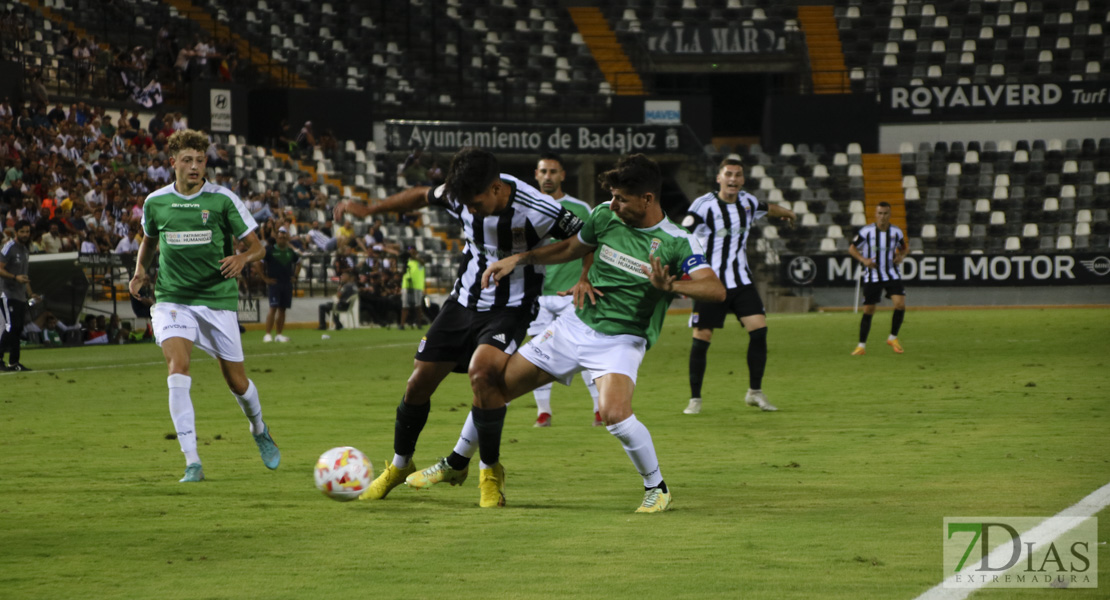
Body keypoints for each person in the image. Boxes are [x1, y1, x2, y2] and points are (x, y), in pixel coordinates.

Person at [407, 154, 725, 512]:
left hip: (622, 338)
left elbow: (715, 290)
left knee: (614, 414)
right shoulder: (606, 215)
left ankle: (657, 488)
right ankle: (456, 463)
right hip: (573, 327)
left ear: (647, 199)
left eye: (622, 198)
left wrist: (673, 284)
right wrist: (520, 259)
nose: (613, 204)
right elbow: (572, 247)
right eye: (614, 197)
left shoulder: (677, 241)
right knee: (492, 385)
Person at [333, 147, 584, 505]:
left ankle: (490, 471)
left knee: (483, 375)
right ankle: (401, 464)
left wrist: (570, 272)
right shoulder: (459, 194)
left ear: (497, 188)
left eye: (477, 203)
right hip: (463, 301)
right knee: (418, 382)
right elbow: (421, 196)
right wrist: (370, 209)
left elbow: (583, 241)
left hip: (511, 307)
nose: (471, 209)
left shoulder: (539, 208)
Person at [128, 129, 280, 483]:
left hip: (216, 299)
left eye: (200, 160)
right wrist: (139, 272)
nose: (195, 166)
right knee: (178, 368)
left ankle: (259, 428)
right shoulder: (156, 202)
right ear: (173, 164)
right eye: (187, 160)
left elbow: (258, 247)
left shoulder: (223, 200)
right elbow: (149, 241)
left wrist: (243, 259)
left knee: (237, 381)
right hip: (172, 299)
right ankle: (192, 461)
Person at [680, 156, 796, 415]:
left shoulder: (748, 202)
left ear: (742, 179)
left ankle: (754, 392)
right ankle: (695, 399)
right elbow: (683, 234)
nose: (733, 179)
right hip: (710, 283)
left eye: (738, 175)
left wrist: (787, 213)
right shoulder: (703, 206)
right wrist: (686, 272)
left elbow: (767, 207)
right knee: (702, 336)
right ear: (719, 178)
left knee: (759, 330)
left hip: (741, 281)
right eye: (728, 174)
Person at [529, 153, 601, 428]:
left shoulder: (579, 208)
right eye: (543, 171)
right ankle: (543, 413)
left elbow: (592, 247)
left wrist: (584, 278)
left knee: (584, 349)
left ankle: (599, 409)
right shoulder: (526, 206)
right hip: (537, 295)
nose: (548, 177)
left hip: (571, 294)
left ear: (562, 176)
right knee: (537, 353)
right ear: (536, 175)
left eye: (553, 172)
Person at [849, 202, 908, 355]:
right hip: (872, 275)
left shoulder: (896, 232)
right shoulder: (867, 231)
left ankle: (892, 338)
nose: (882, 217)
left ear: (890, 214)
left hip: (891, 273)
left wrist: (900, 256)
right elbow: (852, 248)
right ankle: (861, 346)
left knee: (900, 304)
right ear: (876, 214)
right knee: (869, 310)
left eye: (885, 213)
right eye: (880, 213)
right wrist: (864, 260)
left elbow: (905, 248)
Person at [0, 220, 38, 371]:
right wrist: (15, 277)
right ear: (16, 232)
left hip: (19, 295)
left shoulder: (25, 250)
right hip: (6, 293)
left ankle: (14, 363)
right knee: (11, 327)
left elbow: (24, 276)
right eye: (22, 232)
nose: (25, 234)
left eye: (27, 232)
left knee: (18, 328)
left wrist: (31, 293)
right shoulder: (9, 247)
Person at [257, 226, 300, 342]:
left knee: (283, 309)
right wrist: (264, 278)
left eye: (284, 238)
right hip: (275, 283)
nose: (282, 240)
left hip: (286, 283)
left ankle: (279, 334)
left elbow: (299, 262)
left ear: (287, 240)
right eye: (280, 238)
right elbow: (258, 263)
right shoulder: (269, 251)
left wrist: (295, 276)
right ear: (276, 239)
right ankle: (267, 334)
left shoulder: (290, 252)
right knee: (273, 308)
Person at [399, 250, 425, 330]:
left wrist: (413, 257)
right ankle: (402, 325)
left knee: (418, 306)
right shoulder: (407, 262)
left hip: (417, 286)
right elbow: (402, 273)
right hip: (406, 285)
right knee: (405, 306)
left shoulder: (419, 262)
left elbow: (423, 262)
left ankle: (419, 324)